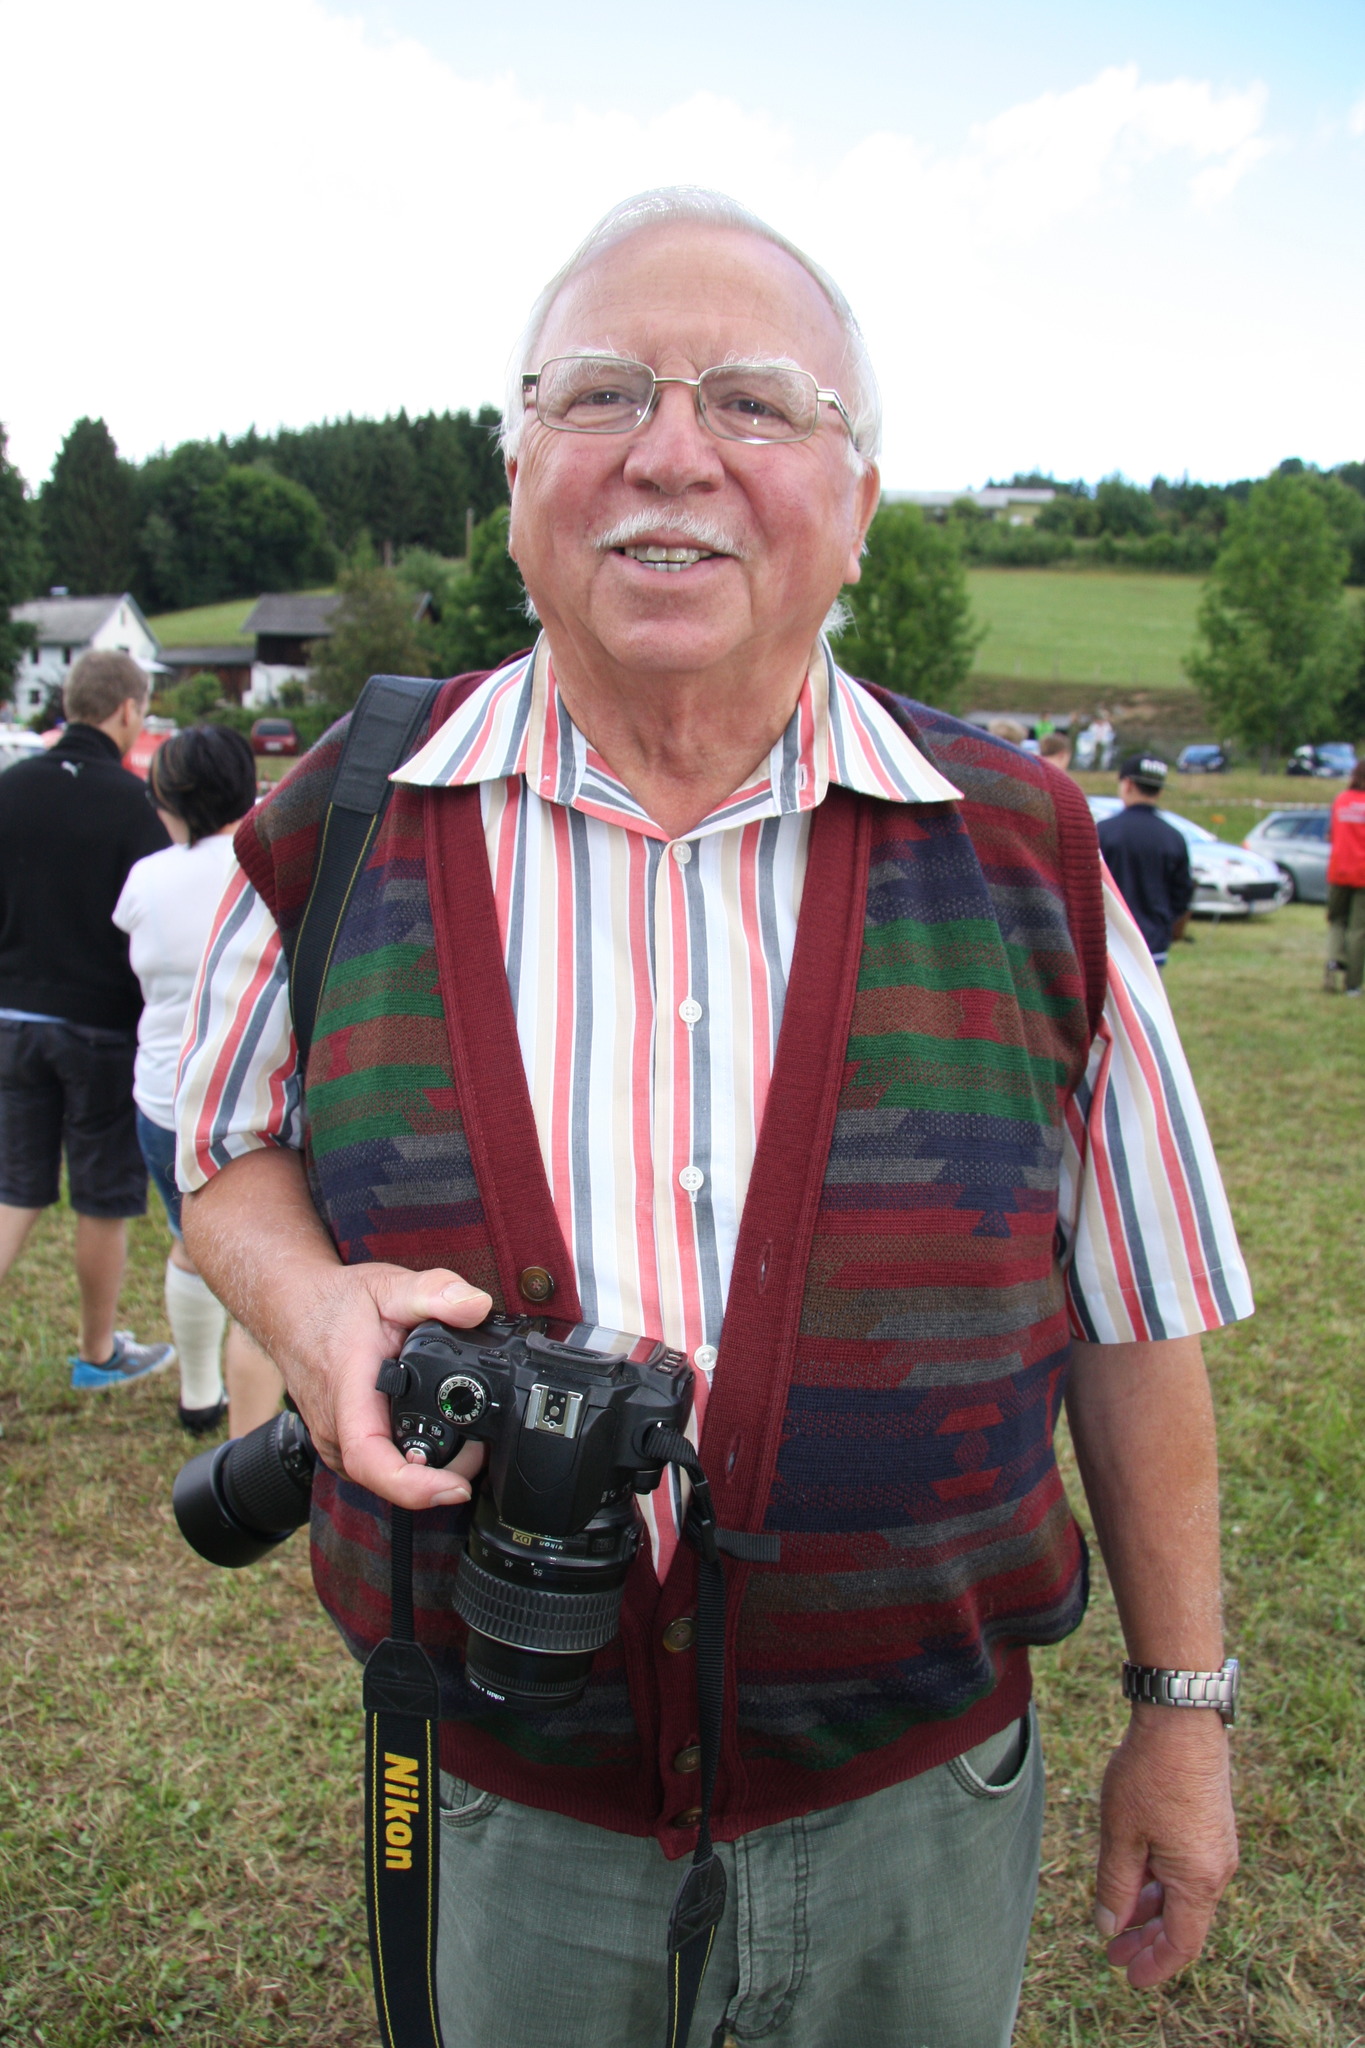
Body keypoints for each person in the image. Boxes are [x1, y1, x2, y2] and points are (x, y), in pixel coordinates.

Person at [177, 189, 1249, 2048]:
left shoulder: (1028, 856)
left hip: (917, 1799)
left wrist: (1182, 1703)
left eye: (755, 403)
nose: (670, 450)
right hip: (498, 1790)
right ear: (517, 469)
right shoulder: (343, 821)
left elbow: (1136, 1317)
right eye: (602, 395)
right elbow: (225, 1153)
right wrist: (302, 1299)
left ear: (860, 498)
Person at [0, 650, 175, 1388]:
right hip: (103, 1026)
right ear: (130, 712)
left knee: (14, 1188)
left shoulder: (8, 789)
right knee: (102, 1197)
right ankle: (98, 1353)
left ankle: (102, 1350)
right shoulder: (138, 805)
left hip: (10, 1013)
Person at [112, 724, 285, 1432]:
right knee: (264, 1277)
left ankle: (196, 1394)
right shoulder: (273, 866)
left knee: (192, 1240)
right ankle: (250, 1450)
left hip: (163, 1095)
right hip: (254, 1098)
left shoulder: (147, 880)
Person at [1097, 752, 1194, 969]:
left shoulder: (1102, 832)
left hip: (1105, 940)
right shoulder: (1174, 837)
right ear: (1160, 790)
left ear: (1128, 784)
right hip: (1151, 941)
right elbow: (1182, 893)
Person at [1323, 758, 1365, 996]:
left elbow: (1331, 835)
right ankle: (1353, 984)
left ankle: (1332, 962)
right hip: (1363, 875)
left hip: (1338, 871)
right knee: (1358, 929)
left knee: (1337, 921)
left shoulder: (1341, 800)